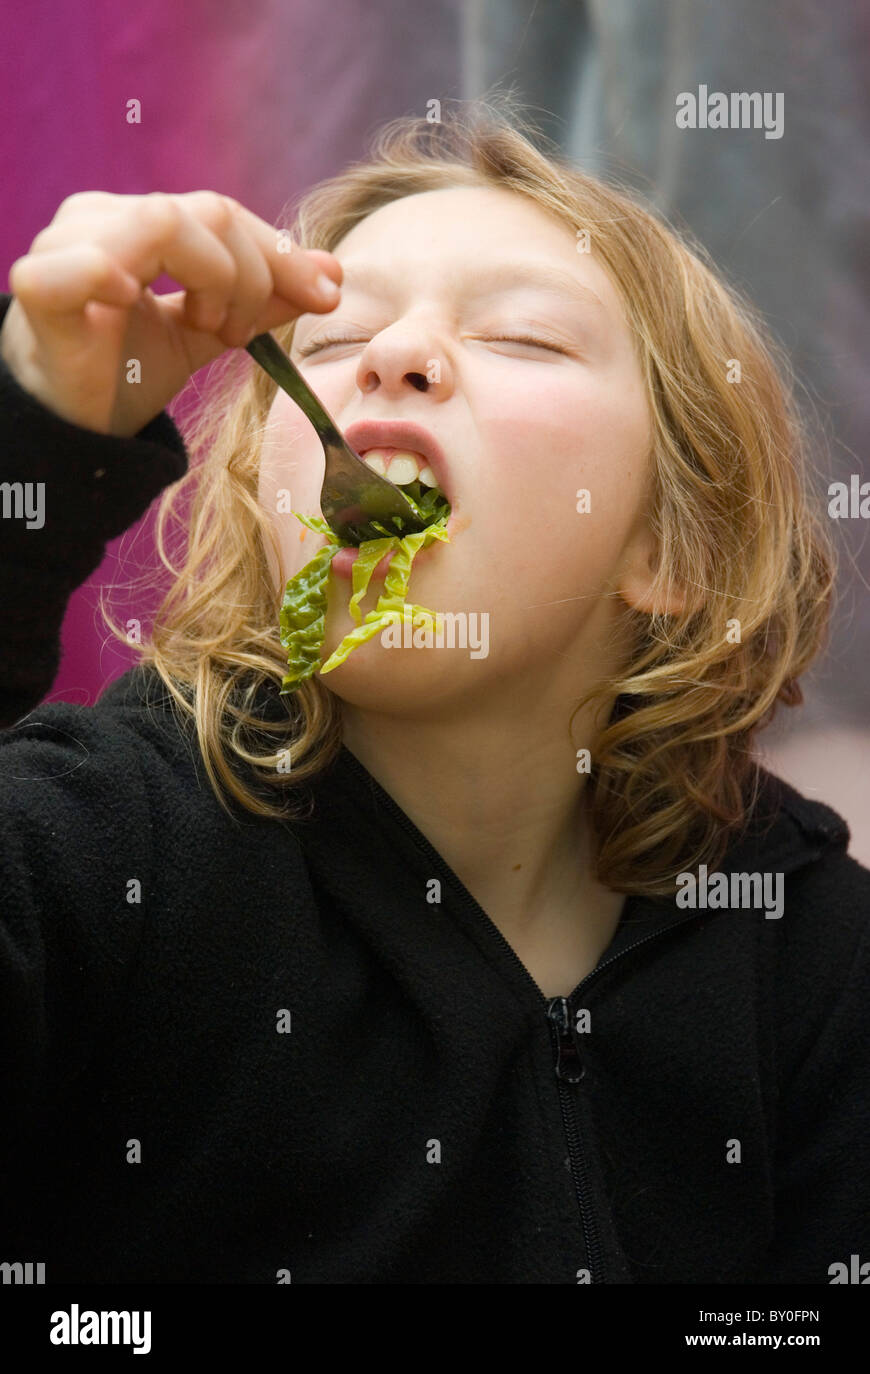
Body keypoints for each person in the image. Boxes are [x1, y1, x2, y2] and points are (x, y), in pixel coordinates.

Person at [1, 103, 867, 1284]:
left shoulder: (808, 950)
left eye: (522, 338)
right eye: (332, 331)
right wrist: (36, 434)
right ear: (270, 511)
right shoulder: (105, 848)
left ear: (671, 550)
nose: (389, 354)